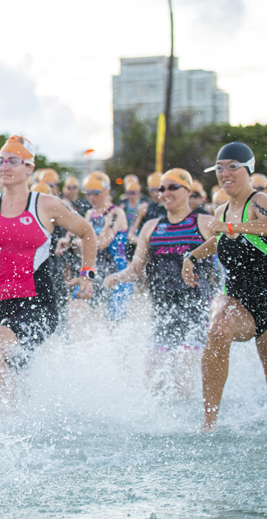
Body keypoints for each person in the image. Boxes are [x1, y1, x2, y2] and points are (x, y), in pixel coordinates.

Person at [0, 136, 96, 409]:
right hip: (0, 304)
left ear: (29, 167)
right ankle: (31, 421)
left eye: (14, 161)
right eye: (1, 161)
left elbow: (86, 231)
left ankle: (14, 423)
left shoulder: (45, 204)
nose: (5, 166)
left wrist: (87, 272)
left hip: (38, 304)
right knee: (15, 370)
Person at [182, 142, 267, 431]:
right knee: (219, 329)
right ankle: (209, 422)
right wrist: (192, 255)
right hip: (237, 300)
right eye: (220, 168)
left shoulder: (259, 201)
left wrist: (232, 227)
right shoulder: (223, 209)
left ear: (248, 170)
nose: (225, 173)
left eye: (232, 167)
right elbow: (221, 240)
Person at [105, 169, 214, 395]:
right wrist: (117, 277)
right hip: (164, 314)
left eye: (173, 187)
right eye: (161, 188)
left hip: (197, 313)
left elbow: (229, 259)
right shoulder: (151, 226)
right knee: (152, 382)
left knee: (184, 378)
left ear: (188, 190)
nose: (165, 192)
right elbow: (136, 268)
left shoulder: (204, 222)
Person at [79, 172, 130, 323]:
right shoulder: (89, 213)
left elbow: (103, 242)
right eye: (87, 193)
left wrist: (79, 241)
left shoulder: (115, 213)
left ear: (106, 191)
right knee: (77, 313)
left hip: (116, 274)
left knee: (113, 325)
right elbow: (74, 238)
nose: (91, 198)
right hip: (94, 272)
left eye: (96, 193)